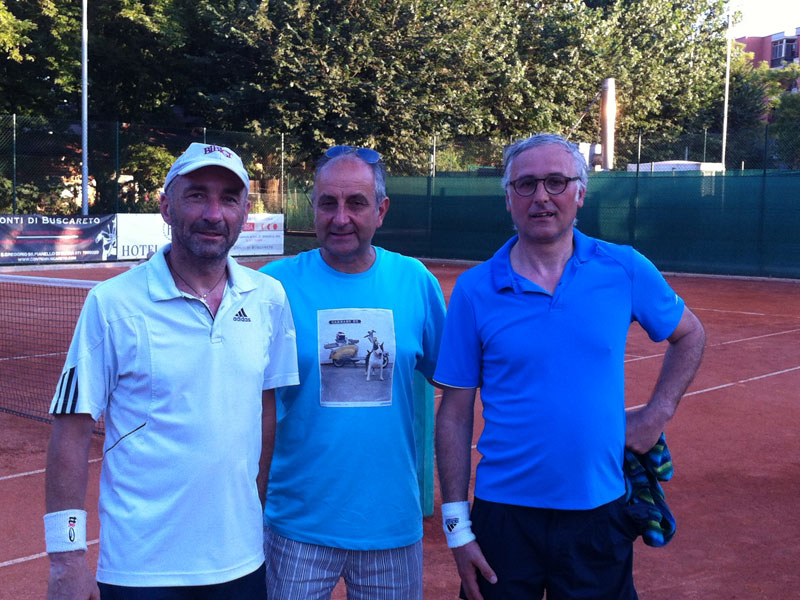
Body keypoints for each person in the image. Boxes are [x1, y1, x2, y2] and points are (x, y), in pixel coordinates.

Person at [434, 133, 706, 600]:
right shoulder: (474, 290)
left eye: (556, 182)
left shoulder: (624, 268)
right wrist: (458, 529)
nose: (541, 196)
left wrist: (656, 413)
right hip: (504, 515)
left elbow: (690, 334)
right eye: (526, 184)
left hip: (600, 512)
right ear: (508, 198)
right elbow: (455, 413)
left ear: (580, 193)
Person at [44, 143, 299, 600]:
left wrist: (250, 511)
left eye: (229, 199)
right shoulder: (111, 303)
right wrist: (65, 559)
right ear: (166, 205)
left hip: (241, 562)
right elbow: (71, 426)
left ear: (245, 211)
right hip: (141, 572)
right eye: (197, 195)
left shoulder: (269, 297)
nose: (213, 213)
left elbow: (265, 408)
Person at [259, 145, 447, 599]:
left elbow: (454, 382)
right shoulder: (271, 287)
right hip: (296, 526)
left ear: (380, 210)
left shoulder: (415, 281)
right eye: (328, 203)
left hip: (391, 526)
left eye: (356, 203)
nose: (340, 217)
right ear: (314, 207)